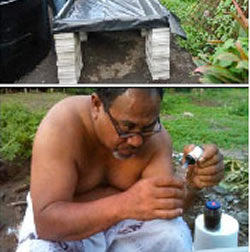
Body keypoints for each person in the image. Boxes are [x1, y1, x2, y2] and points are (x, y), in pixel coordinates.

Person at [16, 88, 224, 252]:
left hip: (120, 224)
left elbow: (165, 209)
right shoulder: (61, 127)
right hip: (68, 230)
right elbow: (47, 223)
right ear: (97, 105)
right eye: (126, 128)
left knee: (173, 235)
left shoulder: (157, 140)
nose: (136, 140)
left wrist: (191, 184)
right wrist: (126, 202)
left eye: (147, 127)